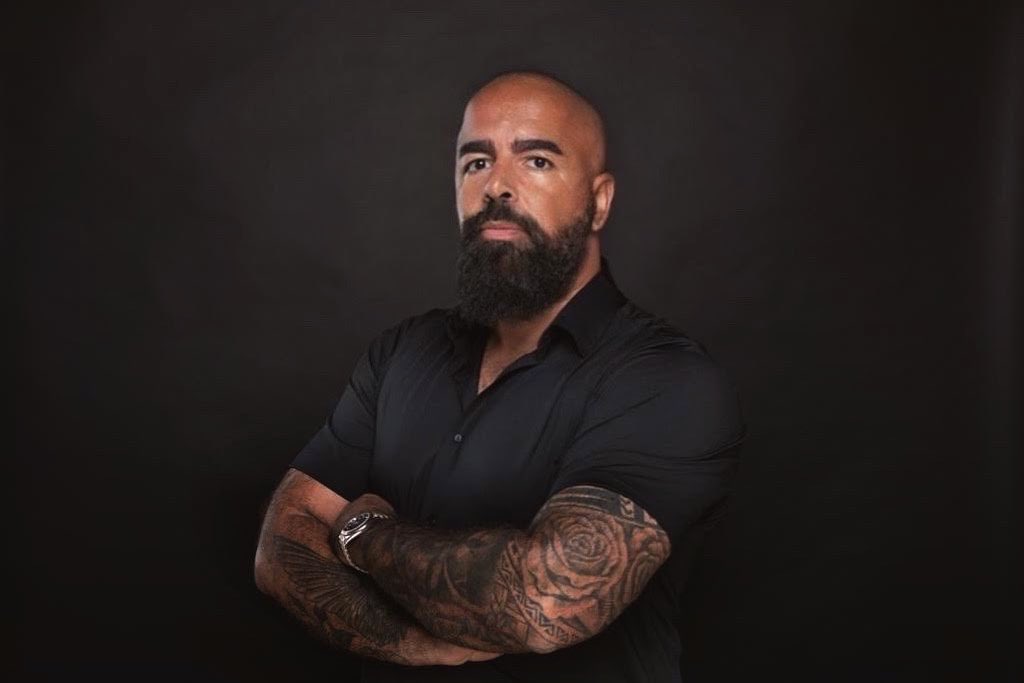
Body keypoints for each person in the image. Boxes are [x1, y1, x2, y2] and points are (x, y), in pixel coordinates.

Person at [254, 70, 745, 683]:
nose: (497, 186)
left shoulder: (667, 380)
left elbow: (544, 602)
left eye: (536, 160)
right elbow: (280, 546)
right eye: (476, 162)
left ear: (599, 201)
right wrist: (407, 645)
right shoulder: (402, 352)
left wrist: (362, 532)